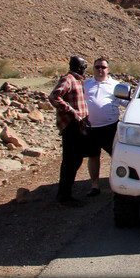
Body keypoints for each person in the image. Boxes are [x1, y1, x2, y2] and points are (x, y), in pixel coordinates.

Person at [82, 57, 128, 197]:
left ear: (108, 69)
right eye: (97, 67)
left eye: (103, 67)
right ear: (93, 69)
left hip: (110, 128)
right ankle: (95, 185)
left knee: (116, 156)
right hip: (90, 128)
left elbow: (126, 103)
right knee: (93, 156)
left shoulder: (116, 85)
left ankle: (119, 183)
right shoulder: (85, 84)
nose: (100, 70)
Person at [48, 56, 90, 207]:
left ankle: (66, 193)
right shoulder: (68, 79)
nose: (85, 67)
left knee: (76, 159)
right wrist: (71, 111)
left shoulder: (77, 80)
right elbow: (54, 97)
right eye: (84, 65)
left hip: (78, 125)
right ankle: (64, 196)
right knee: (70, 161)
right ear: (78, 67)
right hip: (71, 125)